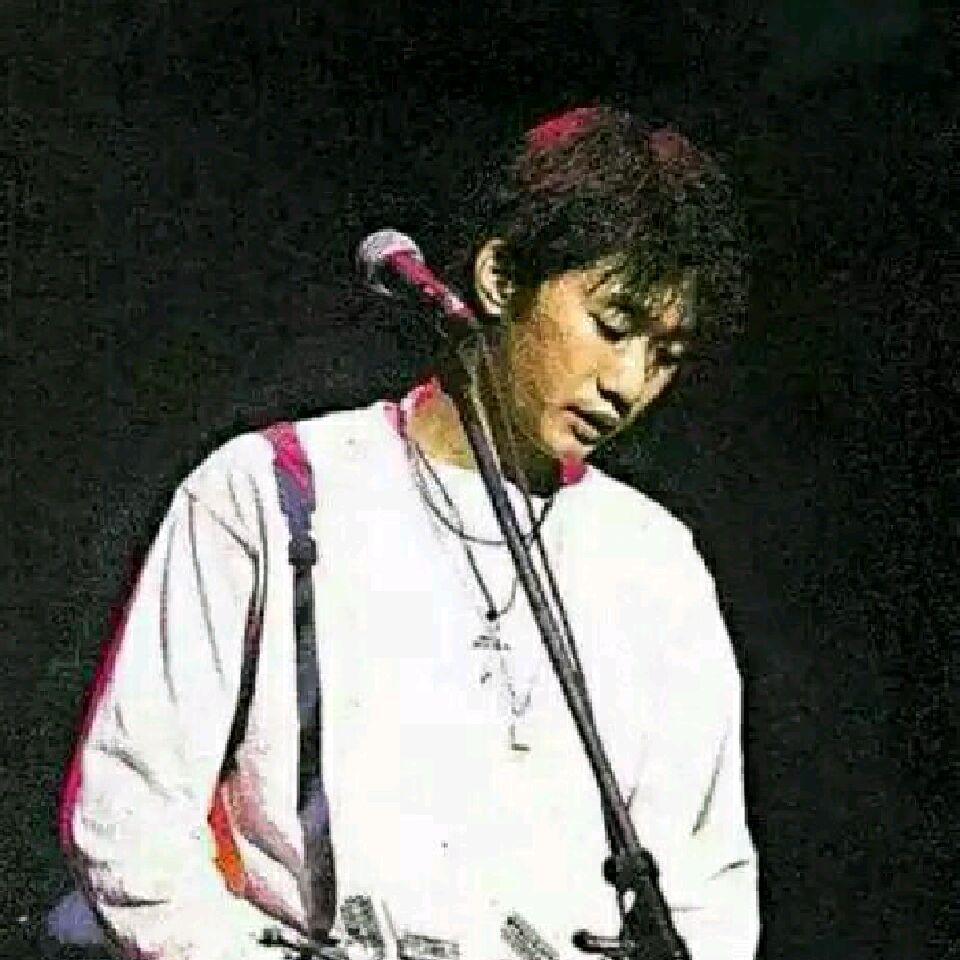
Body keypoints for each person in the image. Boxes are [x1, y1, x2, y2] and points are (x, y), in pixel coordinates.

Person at [51, 104, 759, 960]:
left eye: (666, 354)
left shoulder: (654, 562)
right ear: (499, 277)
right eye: (612, 326)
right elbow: (128, 818)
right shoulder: (276, 489)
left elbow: (707, 885)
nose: (629, 381)